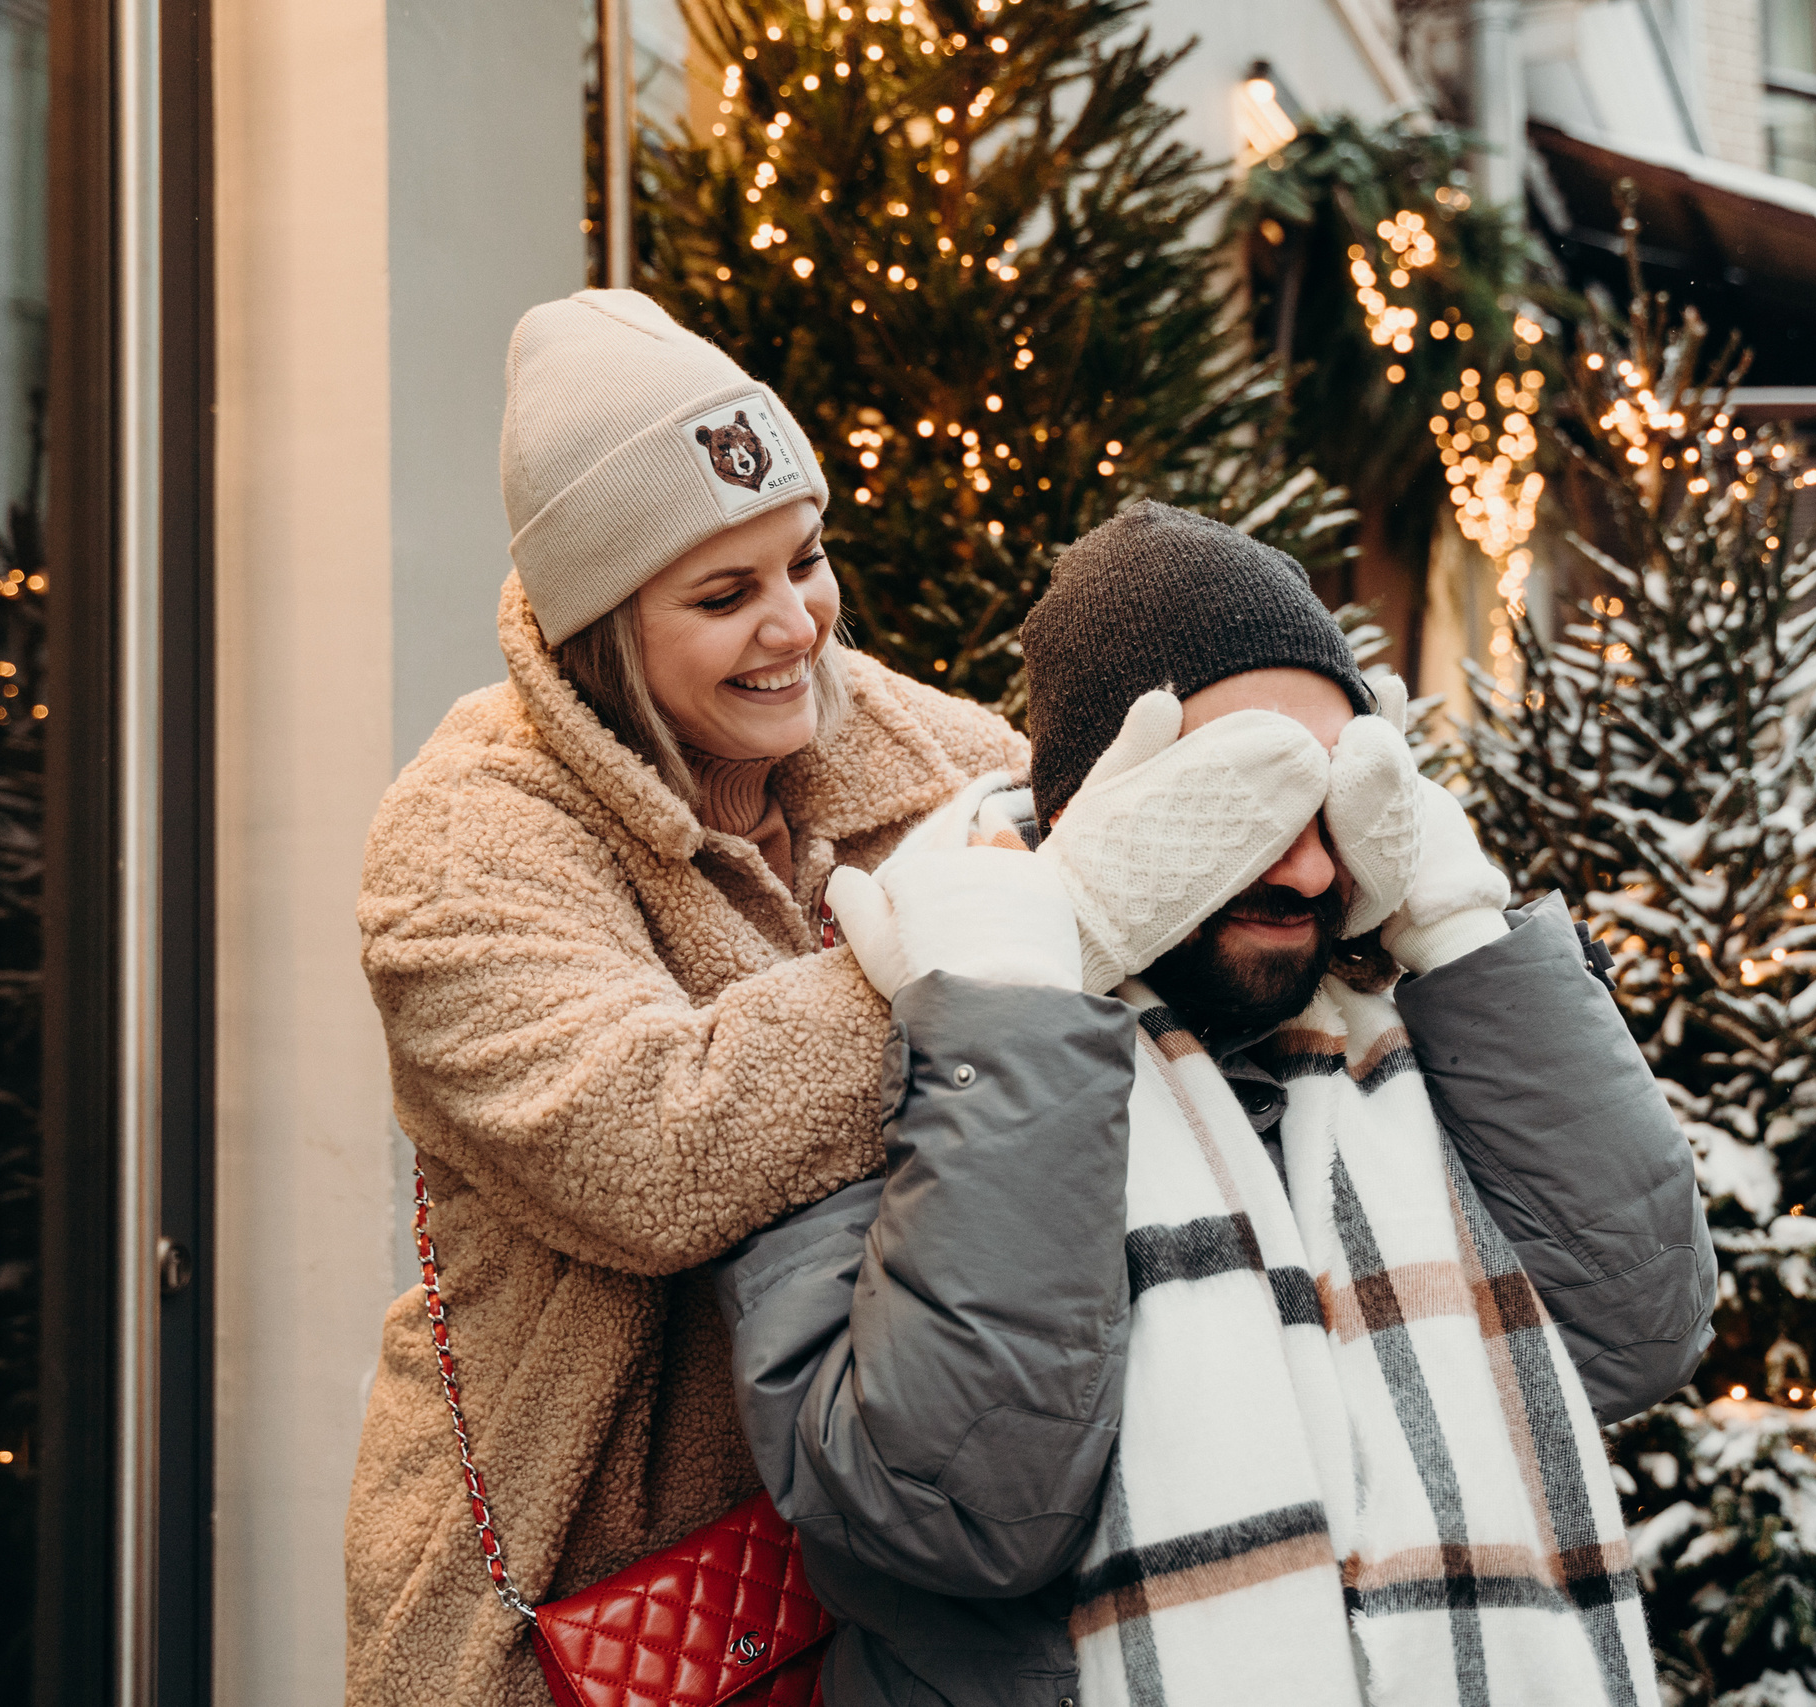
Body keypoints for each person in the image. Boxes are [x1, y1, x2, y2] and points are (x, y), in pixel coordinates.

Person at [718, 502, 1715, 1706]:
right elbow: (956, 1510)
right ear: (1108, 804)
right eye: (1236, 799)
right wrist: (1019, 1011)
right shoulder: (898, 1014)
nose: (1306, 868)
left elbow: (1635, 1327)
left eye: (1337, 799)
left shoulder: (1394, 1017)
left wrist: (1462, 937)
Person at [342, 291, 1030, 1705]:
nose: (795, 626)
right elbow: (653, 1147)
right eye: (723, 596)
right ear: (605, 627)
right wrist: (937, 952)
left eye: (806, 559)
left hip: (881, 1586)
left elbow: (1093, 866)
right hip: (599, 1591)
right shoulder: (467, 837)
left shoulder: (902, 741)